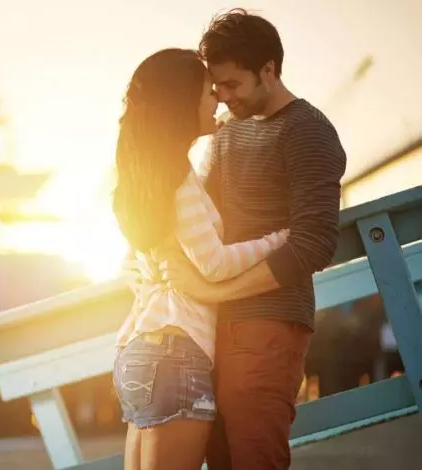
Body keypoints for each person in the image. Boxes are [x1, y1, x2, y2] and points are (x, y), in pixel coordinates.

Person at [153, 9, 348, 470]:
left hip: (269, 324)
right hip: (212, 324)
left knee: (254, 457)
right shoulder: (227, 133)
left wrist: (214, 290)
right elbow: (196, 214)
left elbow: (314, 242)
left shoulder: (309, 131)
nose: (221, 98)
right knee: (220, 459)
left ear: (269, 69)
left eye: (232, 85)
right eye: (215, 87)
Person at [111, 48, 290, 470]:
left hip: (137, 350)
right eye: (209, 93)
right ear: (183, 101)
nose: (219, 101)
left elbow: (133, 265)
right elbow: (213, 263)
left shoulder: (144, 176)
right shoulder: (177, 178)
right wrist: (280, 239)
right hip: (176, 351)